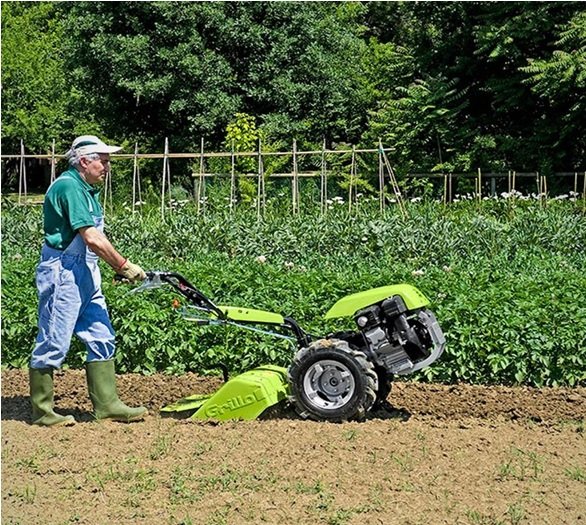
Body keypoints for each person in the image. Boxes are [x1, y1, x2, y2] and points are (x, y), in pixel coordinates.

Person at [29, 135, 147, 426]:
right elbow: (91, 237)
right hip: (63, 271)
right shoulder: (70, 186)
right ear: (84, 161)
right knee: (54, 339)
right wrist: (122, 265)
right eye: (103, 161)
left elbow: (94, 243)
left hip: (85, 270)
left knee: (101, 333)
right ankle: (42, 411)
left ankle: (107, 404)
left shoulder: (87, 190)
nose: (107, 167)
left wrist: (111, 266)